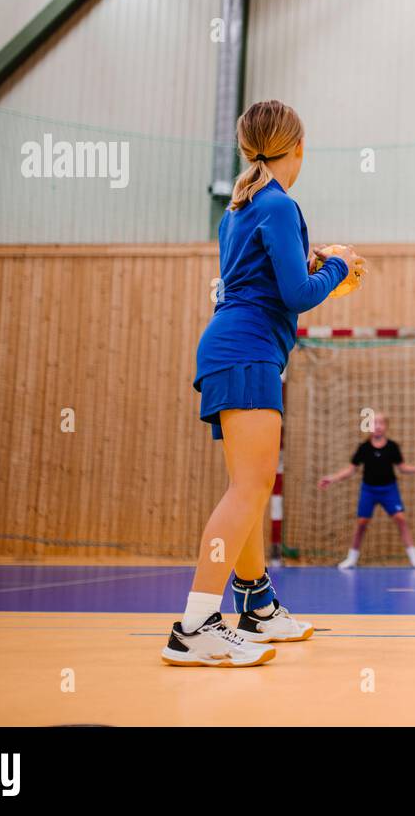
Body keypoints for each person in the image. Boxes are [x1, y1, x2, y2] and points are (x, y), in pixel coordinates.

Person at [161, 99, 359, 667]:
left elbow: (263, 278)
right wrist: (338, 267)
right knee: (248, 489)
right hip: (247, 350)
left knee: (247, 488)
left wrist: (314, 260)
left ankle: (256, 608)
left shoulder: (240, 207)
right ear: (298, 148)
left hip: (229, 347)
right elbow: (297, 295)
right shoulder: (280, 204)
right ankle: (196, 624)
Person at [318, 412, 415, 569]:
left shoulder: (392, 447)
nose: (378, 426)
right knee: (361, 523)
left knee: (401, 519)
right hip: (369, 490)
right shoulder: (364, 448)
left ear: (386, 427)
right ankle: (351, 558)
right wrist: (332, 478)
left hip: (389, 490)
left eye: (381, 423)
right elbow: (351, 470)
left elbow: (403, 468)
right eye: (374, 423)